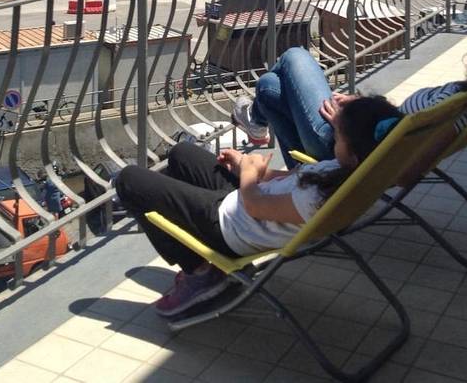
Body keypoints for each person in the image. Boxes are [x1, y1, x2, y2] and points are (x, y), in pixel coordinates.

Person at [115, 95, 402, 316]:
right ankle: (199, 255)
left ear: (353, 154)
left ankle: (201, 271)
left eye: (337, 138)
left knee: (129, 181)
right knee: (181, 153)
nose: (333, 142)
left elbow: (256, 206)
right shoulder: (348, 173)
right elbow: (290, 177)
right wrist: (246, 166)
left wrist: (250, 174)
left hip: (229, 228)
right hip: (245, 204)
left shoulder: (315, 199)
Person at [233, 4, 467, 167]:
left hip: (341, 145)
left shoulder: (456, 104)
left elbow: (405, 169)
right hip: (363, 134)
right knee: (269, 86)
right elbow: (399, 130)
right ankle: (258, 118)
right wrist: (363, 107)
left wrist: (341, 123)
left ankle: (256, 120)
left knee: (293, 56)